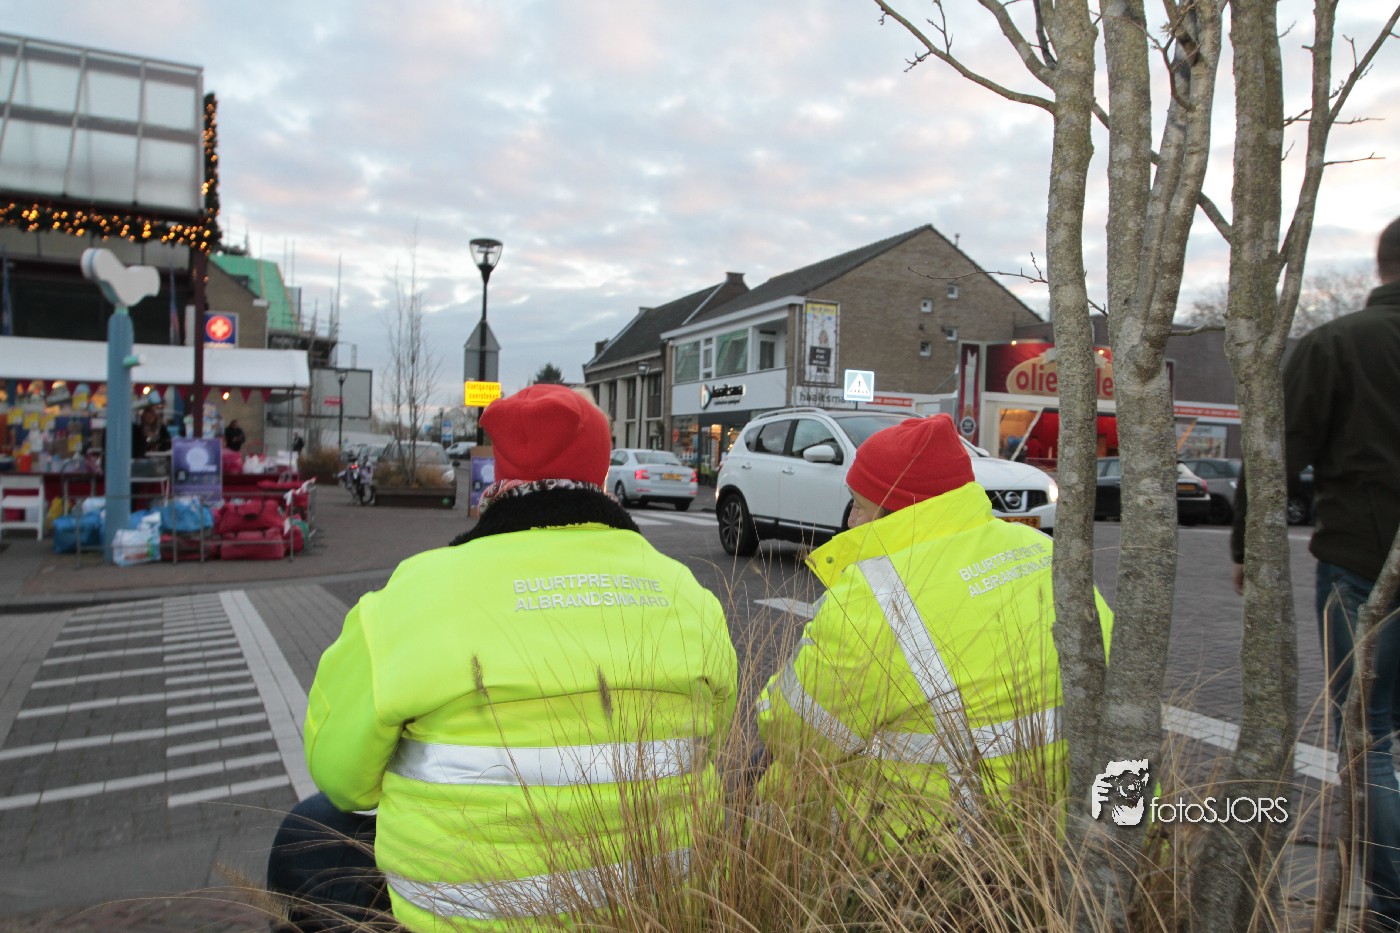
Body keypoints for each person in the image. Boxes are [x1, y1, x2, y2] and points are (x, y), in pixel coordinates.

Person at [267, 384, 738, 932]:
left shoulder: (414, 593)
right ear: (602, 474)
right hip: (659, 906)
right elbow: (714, 743)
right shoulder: (686, 593)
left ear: (499, 478)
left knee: (308, 828)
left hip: (461, 920)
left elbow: (341, 778)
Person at [755, 414, 1113, 847]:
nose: (851, 521)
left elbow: (796, 736)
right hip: (1078, 828)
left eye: (859, 505)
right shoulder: (1044, 551)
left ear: (896, 511)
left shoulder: (871, 598)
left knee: (773, 778)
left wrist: (770, 699)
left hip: (937, 848)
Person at [1231, 215, 1400, 929]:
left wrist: (1247, 543)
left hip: (1361, 559)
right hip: (1360, 560)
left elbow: (1277, 448)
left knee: (1368, 737)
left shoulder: (1339, 344)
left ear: (1381, 263)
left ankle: (1393, 903)